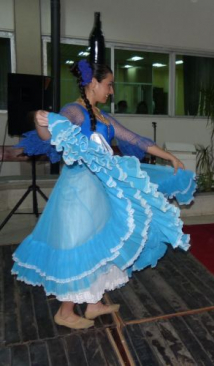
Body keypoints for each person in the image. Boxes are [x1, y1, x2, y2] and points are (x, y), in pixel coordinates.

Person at [11, 60, 196, 330]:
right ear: (93, 83)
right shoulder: (74, 111)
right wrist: (42, 121)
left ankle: (93, 303)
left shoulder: (102, 116)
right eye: (109, 85)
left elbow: (135, 139)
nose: (111, 91)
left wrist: (169, 157)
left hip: (101, 191)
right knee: (81, 247)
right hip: (78, 193)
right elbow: (51, 132)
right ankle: (65, 311)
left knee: (103, 246)